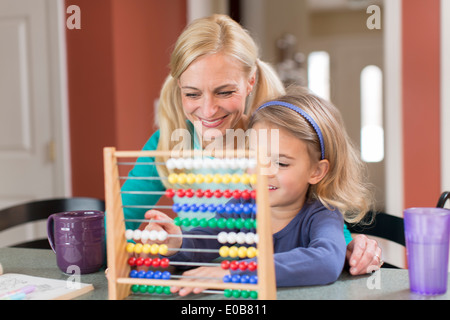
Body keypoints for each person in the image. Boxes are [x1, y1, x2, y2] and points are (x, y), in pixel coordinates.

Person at [120, 14, 381, 276]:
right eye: (192, 93)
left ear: (250, 81)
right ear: (180, 88)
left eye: (224, 92)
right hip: (204, 284)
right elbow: (200, 239)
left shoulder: (276, 134)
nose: (208, 110)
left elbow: (324, 238)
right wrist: (153, 249)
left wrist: (350, 248)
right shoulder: (172, 149)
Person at [141, 88, 376, 296]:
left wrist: (236, 272)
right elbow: (199, 246)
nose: (264, 172)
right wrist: (175, 242)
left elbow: (326, 262)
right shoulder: (242, 208)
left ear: (316, 171)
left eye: (281, 163)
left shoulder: (322, 215)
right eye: (255, 158)